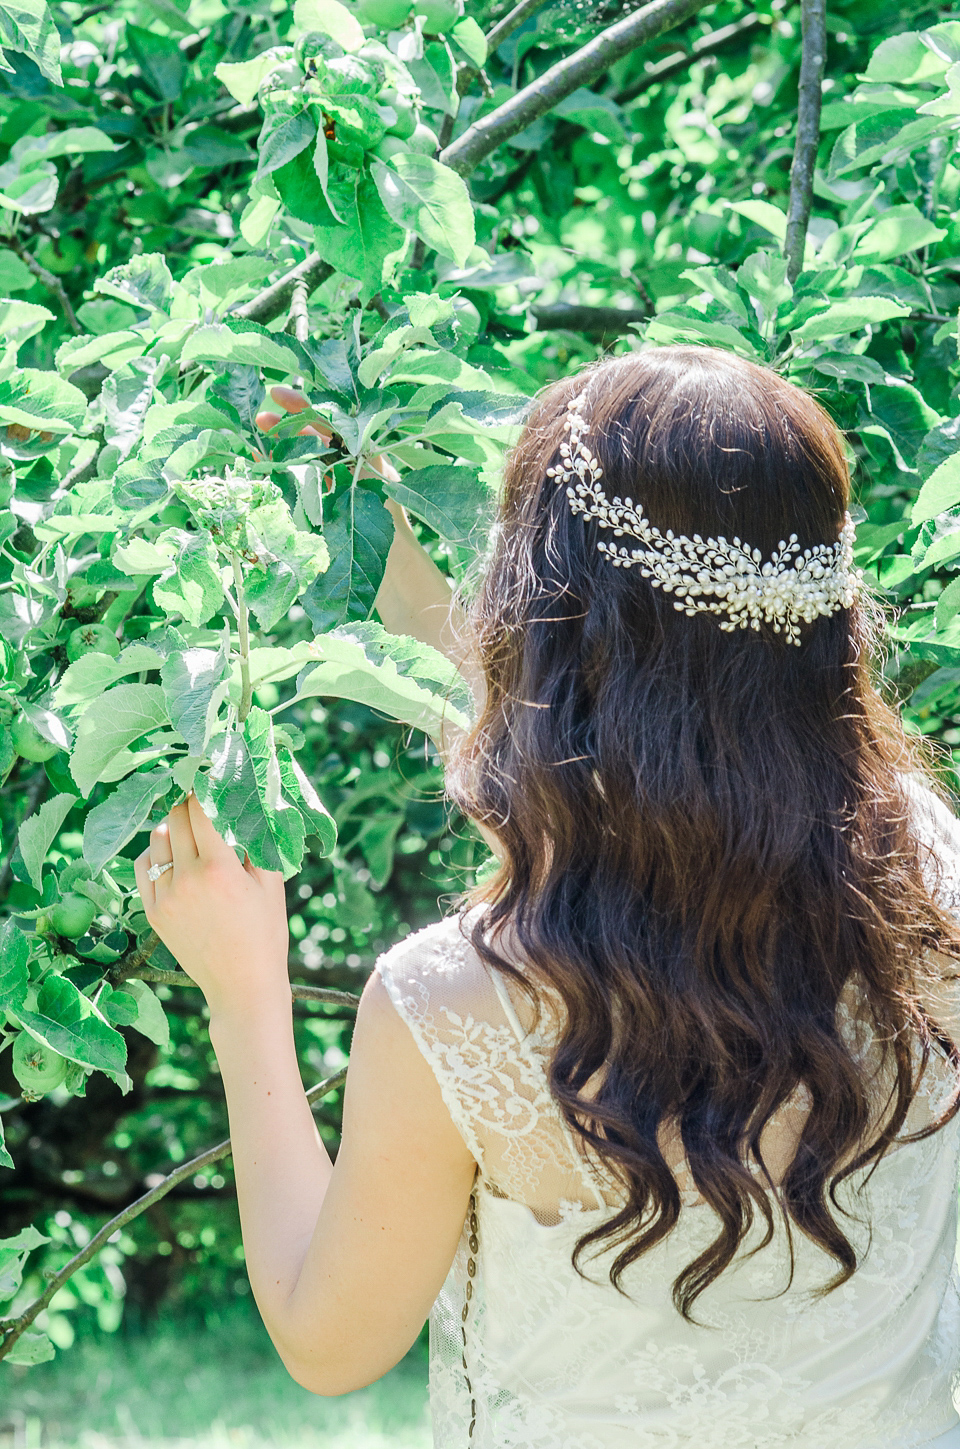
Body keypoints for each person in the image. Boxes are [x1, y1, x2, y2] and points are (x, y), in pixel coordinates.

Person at [136, 345, 960, 1448]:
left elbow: (325, 1339)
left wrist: (245, 996)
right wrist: (366, 503)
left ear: (547, 625)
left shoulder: (462, 1006)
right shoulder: (930, 886)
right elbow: (632, 769)